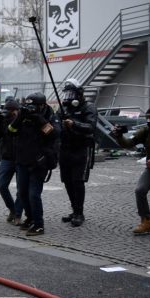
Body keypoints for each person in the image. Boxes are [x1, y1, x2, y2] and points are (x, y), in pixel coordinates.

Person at [111, 105, 150, 237]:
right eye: (147, 118)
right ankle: (146, 222)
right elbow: (129, 143)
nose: (149, 121)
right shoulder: (145, 130)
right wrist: (119, 135)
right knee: (140, 190)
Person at [9, 92, 61, 236]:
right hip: (23, 161)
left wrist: (40, 119)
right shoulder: (24, 116)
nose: (30, 108)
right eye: (28, 105)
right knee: (22, 193)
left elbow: (54, 134)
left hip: (39, 162)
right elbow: (11, 131)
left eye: (33, 106)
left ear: (42, 105)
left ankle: (39, 225)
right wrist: (20, 117)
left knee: (34, 195)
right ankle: (30, 218)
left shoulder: (50, 116)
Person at [59, 79, 97, 227]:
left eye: (72, 93)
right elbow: (57, 124)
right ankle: (74, 210)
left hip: (81, 148)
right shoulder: (64, 108)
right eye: (67, 93)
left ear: (79, 93)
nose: (69, 97)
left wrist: (74, 123)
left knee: (77, 181)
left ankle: (79, 213)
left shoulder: (89, 107)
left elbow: (90, 127)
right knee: (67, 181)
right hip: (65, 148)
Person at [0, 98, 24, 224]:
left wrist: (16, 120)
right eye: (7, 111)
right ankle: (12, 209)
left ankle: (17, 214)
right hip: (7, 158)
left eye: (11, 111)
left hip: (21, 158)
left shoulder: (23, 121)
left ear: (16, 111)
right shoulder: (4, 121)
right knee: (2, 186)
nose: (9, 113)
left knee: (21, 189)